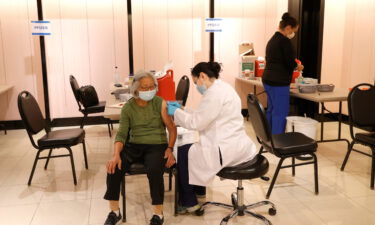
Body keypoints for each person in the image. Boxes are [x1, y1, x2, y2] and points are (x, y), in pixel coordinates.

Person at [167, 62, 257, 213]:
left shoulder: (214, 94)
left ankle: (189, 202)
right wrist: (182, 109)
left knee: (183, 152)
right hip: (237, 145)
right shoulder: (223, 87)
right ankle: (199, 191)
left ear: (202, 76)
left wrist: (175, 113)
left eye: (196, 82)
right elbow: (203, 114)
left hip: (225, 149)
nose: (197, 86)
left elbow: (196, 122)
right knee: (193, 149)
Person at [103, 71, 177, 225]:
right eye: (144, 88)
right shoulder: (128, 108)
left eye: (151, 87)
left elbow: (172, 128)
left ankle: (158, 214)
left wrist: (169, 149)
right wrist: (116, 155)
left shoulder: (160, 103)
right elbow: (122, 134)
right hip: (134, 145)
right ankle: (114, 212)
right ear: (135, 89)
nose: (149, 90)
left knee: (155, 170)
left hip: (156, 145)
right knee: (114, 167)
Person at [262, 12, 304, 135]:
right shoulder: (284, 41)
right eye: (293, 31)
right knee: (280, 111)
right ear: (288, 28)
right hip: (278, 82)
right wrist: (298, 66)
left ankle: (268, 136)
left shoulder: (272, 40)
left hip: (268, 80)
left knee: (272, 109)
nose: (293, 34)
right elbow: (289, 63)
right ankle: (278, 139)